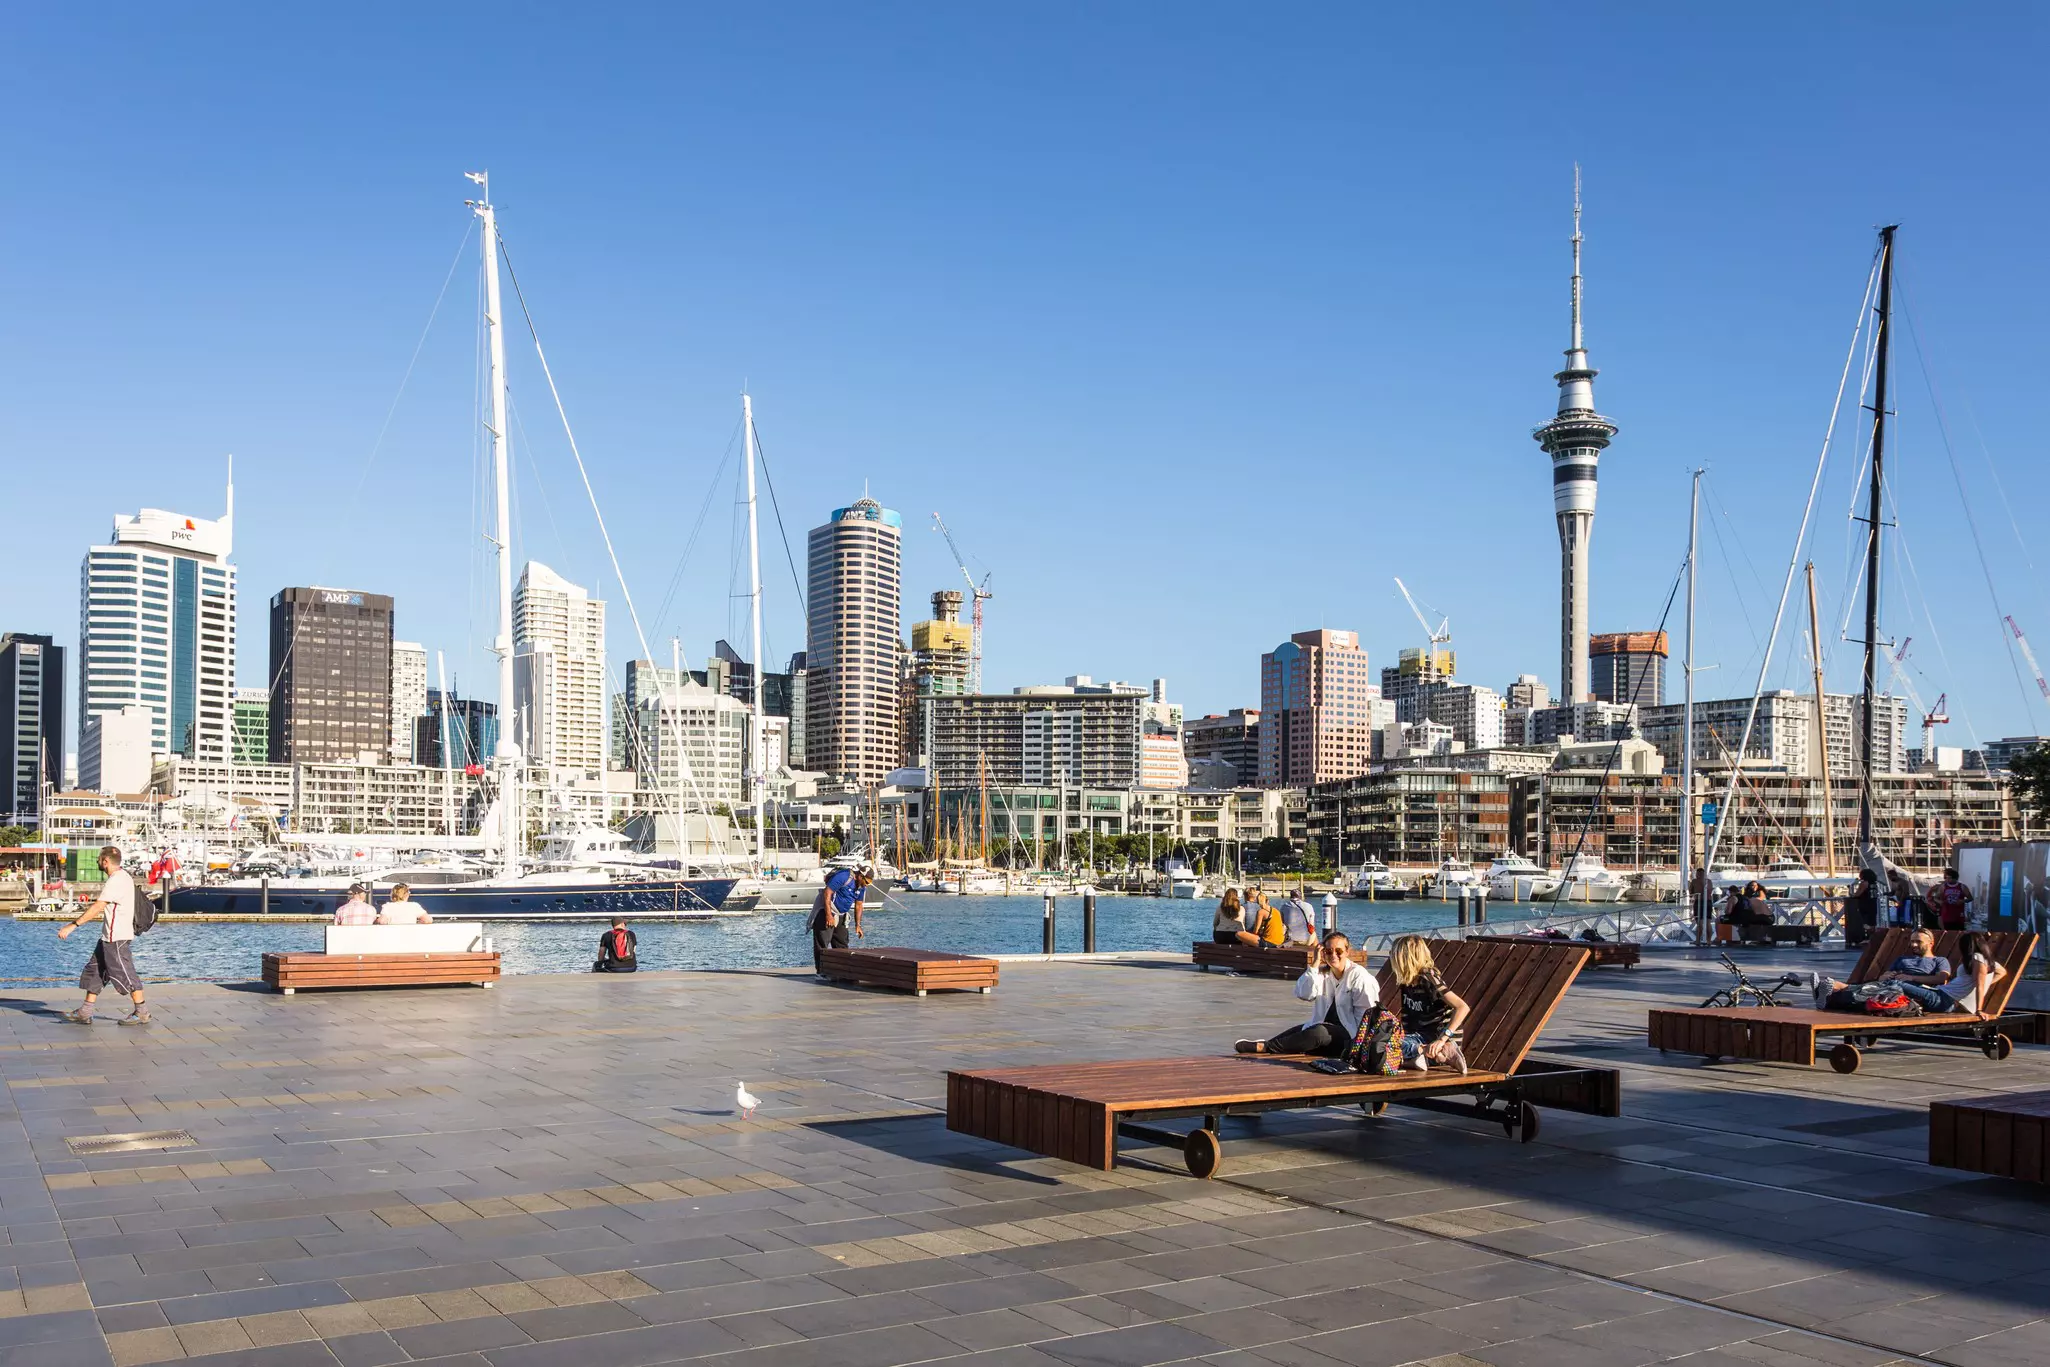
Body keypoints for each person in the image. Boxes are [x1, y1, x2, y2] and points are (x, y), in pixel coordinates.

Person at [1235, 931, 1377, 1057]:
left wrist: (1359, 1047)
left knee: (1318, 1032)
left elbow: (1367, 1015)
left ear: (1347, 951)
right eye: (1328, 951)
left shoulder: (1360, 977)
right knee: (1304, 1030)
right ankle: (1267, 1045)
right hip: (1324, 1030)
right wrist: (1314, 964)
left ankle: (1264, 1047)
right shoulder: (1323, 973)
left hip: (1350, 1038)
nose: (1334, 955)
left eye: (1338, 951)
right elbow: (1304, 994)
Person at [55, 845, 150, 1026]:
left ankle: (142, 1011)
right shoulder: (123, 877)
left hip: (117, 938)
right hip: (108, 937)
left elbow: (98, 906)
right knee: (96, 971)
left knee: (125, 973)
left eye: (99, 859)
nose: (98, 862)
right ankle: (85, 1012)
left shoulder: (116, 880)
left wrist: (73, 925)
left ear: (105, 861)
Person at [1388, 935, 1469, 1074]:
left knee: (1387, 1045)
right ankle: (1428, 1055)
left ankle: (1438, 1051)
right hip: (1420, 1037)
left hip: (1438, 1036)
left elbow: (1462, 1007)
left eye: (1393, 953)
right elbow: (1408, 1019)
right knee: (1381, 1044)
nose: (1390, 956)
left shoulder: (1428, 978)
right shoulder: (1406, 982)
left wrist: (1443, 1039)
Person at [811, 865, 870, 977]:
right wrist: (828, 915)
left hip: (842, 914)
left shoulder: (861, 887)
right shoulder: (844, 877)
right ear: (859, 876)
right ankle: (821, 972)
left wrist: (858, 925)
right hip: (827, 910)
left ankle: (841, 971)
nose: (866, 884)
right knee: (822, 943)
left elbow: (859, 905)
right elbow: (827, 893)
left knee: (842, 944)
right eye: (866, 881)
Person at [1840, 868, 1880, 949]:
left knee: (1865, 922)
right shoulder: (1874, 883)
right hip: (1873, 903)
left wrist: (1851, 893)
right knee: (1872, 922)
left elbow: (1857, 894)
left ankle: (1866, 938)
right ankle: (1872, 938)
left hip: (1865, 904)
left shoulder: (1864, 883)